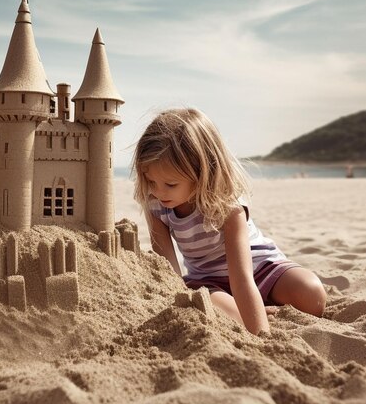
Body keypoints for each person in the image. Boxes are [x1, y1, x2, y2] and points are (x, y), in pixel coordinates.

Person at [133, 108, 326, 335]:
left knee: (312, 296)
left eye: (171, 184)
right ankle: (254, 308)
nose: (158, 191)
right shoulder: (155, 203)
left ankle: (257, 306)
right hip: (207, 281)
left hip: (259, 269)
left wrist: (262, 336)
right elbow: (169, 273)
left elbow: (242, 278)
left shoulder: (227, 203)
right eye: (151, 181)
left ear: (202, 172)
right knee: (229, 317)